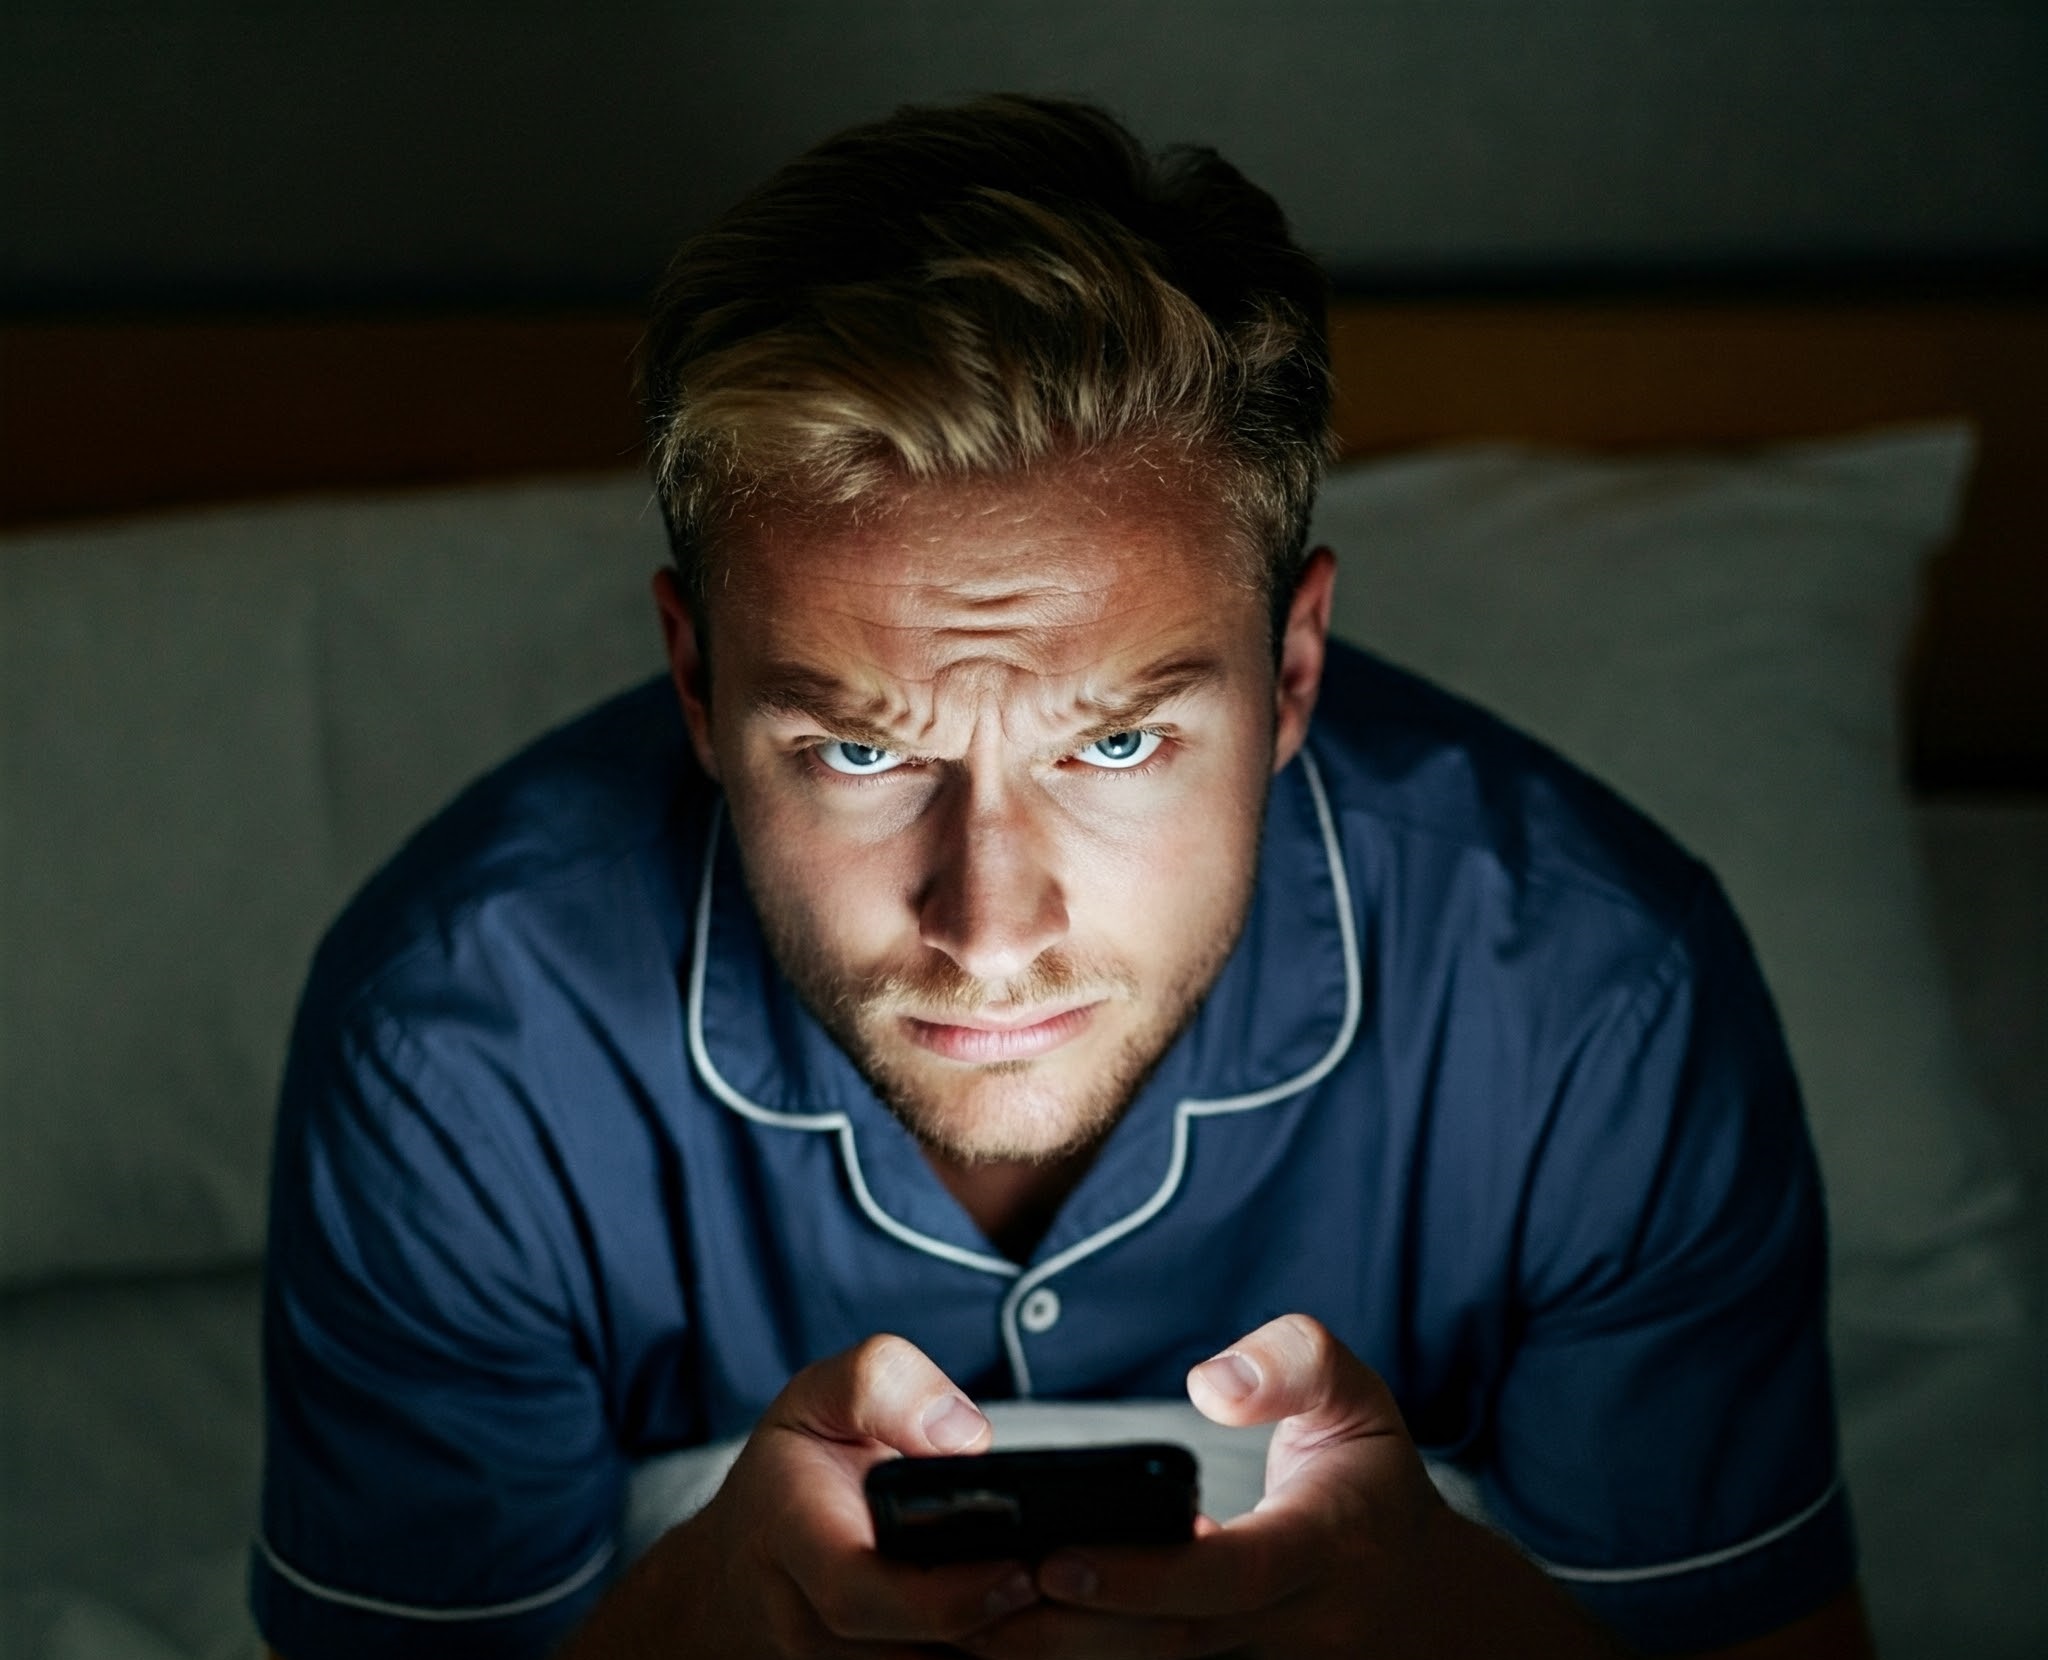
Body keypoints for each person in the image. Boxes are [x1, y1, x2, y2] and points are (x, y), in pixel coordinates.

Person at [252, 95, 1874, 1659]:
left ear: (1294, 672)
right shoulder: (457, 1041)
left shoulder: (1598, 1001)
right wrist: (699, 1622)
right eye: (862, 755)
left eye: (1112, 749)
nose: (991, 925)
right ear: (698, 688)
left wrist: (1446, 1619)